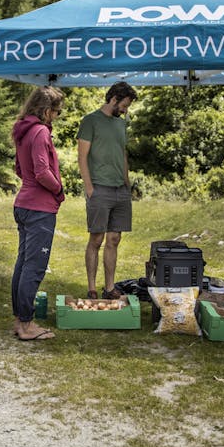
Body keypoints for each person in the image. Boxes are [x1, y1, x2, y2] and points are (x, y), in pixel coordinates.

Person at [11, 86, 66, 341]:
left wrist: (32, 184)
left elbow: (20, 169)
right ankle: (27, 325)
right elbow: (43, 172)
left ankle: (19, 321)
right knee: (34, 267)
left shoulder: (22, 131)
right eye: (56, 112)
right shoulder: (41, 132)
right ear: (46, 110)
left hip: (23, 203)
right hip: (39, 209)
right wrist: (58, 189)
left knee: (23, 264)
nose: (56, 116)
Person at [77, 81, 137, 300]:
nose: (125, 109)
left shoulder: (121, 125)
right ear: (114, 99)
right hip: (99, 188)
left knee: (114, 239)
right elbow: (82, 157)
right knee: (96, 239)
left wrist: (127, 183)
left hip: (120, 189)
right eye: (124, 105)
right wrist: (89, 188)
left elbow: (122, 153)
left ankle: (109, 287)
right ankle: (92, 288)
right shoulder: (90, 121)